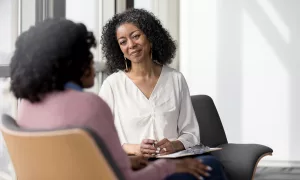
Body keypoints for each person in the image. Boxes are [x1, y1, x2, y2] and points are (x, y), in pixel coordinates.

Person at [10, 18, 216, 180]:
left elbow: (85, 158)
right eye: (86, 55)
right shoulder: (90, 105)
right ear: (70, 62)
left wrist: (130, 161)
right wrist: (170, 165)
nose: (93, 62)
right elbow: (122, 176)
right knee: (211, 167)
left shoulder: (27, 106)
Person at [99, 8, 228, 180]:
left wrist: (175, 145)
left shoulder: (175, 79)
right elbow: (101, 139)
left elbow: (190, 133)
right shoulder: (112, 85)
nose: (131, 45)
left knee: (210, 165)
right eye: (123, 42)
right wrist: (135, 148)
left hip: (174, 158)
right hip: (136, 163)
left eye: (136, 36)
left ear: (150, 37)